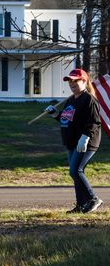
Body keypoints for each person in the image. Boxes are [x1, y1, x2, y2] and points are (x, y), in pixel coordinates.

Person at [45, 68, 102, 214]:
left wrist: (85, 137)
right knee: (74, 173)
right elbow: (65, 119)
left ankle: (93, 199)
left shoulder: (89, 99)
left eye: (75, 81)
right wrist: (55, 114)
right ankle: (81, 205)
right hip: (71, 142)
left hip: (85, 142)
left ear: (84, 81)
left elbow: (95, 122)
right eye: (70, 81)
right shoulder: (70, 100)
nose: (72, 84)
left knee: (76, 170)